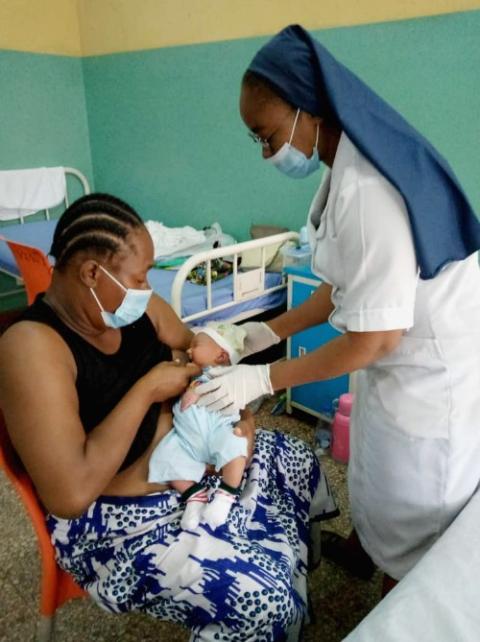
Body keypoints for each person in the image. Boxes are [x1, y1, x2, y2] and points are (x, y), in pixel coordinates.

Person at [195, 24, 480, 595]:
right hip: (397, 348)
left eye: (267, 135)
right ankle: (371, 547)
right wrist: (262, 333)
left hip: (429, 368)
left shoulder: (367, 189)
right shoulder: (343, 165)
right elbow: (344, 286)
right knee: (374, 461)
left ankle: (401, 601)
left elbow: (375, 337)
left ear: (308, 109)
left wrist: (263, 377)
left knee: (413, 494)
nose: (267, 151)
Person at [0, 193, 338, 641]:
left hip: (194, 457)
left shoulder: (135, 309)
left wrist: (222, 392)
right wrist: (147, 391)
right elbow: (70, 493)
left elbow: (190, 344)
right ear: (91, 273)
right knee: (264, 599)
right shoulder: (32, 348)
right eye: (139, 277)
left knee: (298, 460)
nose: (146, 289)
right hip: (121, 519)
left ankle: (289, 570)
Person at [148, 322, 251, 531]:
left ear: (221, 355)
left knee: (236, 445)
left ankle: (226, 495)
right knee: (163, 457)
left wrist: (198, 390)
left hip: (217, 432)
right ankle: (195, 496)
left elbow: (238, 393)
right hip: (186, 439)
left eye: (196, 345)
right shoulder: (192, 375)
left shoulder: (227, 374)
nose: (189, 349)